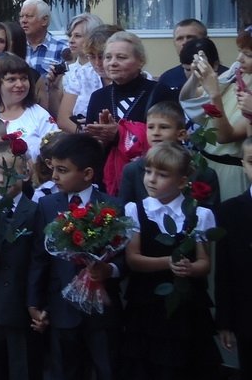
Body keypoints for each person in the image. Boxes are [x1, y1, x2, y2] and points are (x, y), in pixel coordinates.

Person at [27, 134, 123, 380]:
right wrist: (34, 303)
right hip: (62, 307)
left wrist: (109, 269)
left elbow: (124, 255)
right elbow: (40, 258)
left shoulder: (112, 206)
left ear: (88, 173)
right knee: (65, 370)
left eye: (62, 170)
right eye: (53, 168)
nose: (55, 176)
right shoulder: (47, 205)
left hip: (102, 310)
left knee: (107, 368)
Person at [122, 143, 218, 379]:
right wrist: (169, 262)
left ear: (182, 181)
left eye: (162, 175)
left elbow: (205, 263)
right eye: (148, 171)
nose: (151, 179)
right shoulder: (135, 210)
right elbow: (133, 259)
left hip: (186, 306)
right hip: (147, 302)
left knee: (186, 363)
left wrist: (191, 268)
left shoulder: (199, 214)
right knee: (147, 363)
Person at [0, 138, 39, 380]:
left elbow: (38, 262)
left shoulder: (35, 213)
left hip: (21, 308)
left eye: (8, 173)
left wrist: (35, 304)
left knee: (23, 367)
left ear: (24, 173)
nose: (0, 180)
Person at [85, 31, 173, 189]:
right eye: (108, 57)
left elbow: (169, 138)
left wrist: (120, 134)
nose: (112, 63)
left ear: (140, 61)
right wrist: (100, 141)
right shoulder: (98, 97)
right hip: (106, 182)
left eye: (121, 57)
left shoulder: (159, 92)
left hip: (149, 179)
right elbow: (92, 148)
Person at [179, 29, 252, 201]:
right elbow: (190, 100)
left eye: (247, 54)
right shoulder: (238, 73)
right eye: (240, 52)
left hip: (231, 171)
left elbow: (225, 136)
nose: (239, 59)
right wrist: (196, 75)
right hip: (207, 164)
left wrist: (215, 95)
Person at [118, 101, 220, 209]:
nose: (155, 132)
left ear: (181, 134)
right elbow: (125, 215)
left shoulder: (203, 173)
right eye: (151, 127)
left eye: (163, 127)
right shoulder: (132, 170)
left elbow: (210, 216)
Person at [215, 135, 252, 379]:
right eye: (251, 161)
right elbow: (224, 269)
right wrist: (225, 321)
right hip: (247, 317)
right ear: (243, 164)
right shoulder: (231, 210)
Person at [156, 18, 208, 94]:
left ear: (206, 40)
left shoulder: (225, 75)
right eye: (180, 39)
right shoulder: (167, 79)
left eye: (190, 38)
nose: (185, 43)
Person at [20, 0, 68, 77]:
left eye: (29, 16)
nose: (23, 21)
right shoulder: (16, 46)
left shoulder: (63, 47)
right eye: (21, 16)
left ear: (44, 20)